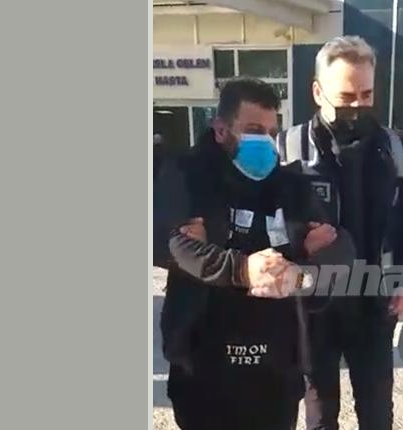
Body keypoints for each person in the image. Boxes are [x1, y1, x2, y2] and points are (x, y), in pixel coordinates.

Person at [157, 77, 352, 430]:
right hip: (203, 370)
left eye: (271, 132)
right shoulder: (186, 175)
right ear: (220, 130)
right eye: (253, 130)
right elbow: (174, 244)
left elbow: (338, 248)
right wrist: (243, 269)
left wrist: (301, 274)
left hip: (276, 372)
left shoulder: (292, 186)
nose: (264, 141)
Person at [276, 36, 403, 430]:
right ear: (317, 92)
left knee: (377, 415)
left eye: (366, 94)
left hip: (374, 307)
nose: (357, 105)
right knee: (320, 416)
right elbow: (269, 227)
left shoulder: (395, 149)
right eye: (345, 96)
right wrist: (298, 243)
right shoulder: (289, 148)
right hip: (315, 309)